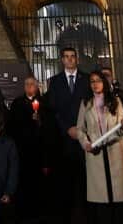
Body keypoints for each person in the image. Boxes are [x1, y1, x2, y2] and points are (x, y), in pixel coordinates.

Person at [76, 71, 123, 224]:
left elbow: (122, 126)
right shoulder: (85, 103)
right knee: (102, 196)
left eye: (98, 80)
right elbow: (79, 129)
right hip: (96, 154)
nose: (95, 84)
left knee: (119, 195)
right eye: (92, 81)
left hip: (116, 150)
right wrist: (85, 143)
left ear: (104, 82)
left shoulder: (115, 101)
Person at [45, 47, 89, 217]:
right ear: (62, 60)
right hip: (63, 138)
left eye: (73, 57)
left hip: (84, 134)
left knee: (84, 179)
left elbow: (89, 106)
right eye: (67, 57)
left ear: (77, 59)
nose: (70, 59)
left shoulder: (86, 79)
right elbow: (53, 109)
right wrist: (67, 128)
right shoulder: (55, 81)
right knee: (66, 180)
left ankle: (86, 211)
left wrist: (80, 128)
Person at [5, 77, 53, 222]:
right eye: (26, 84)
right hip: (21, 151)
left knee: (37, 186)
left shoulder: (44, 104)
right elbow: (12, 126)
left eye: (32, 84)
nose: (29, 86)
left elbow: (48, 131)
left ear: (37, 86)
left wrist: (39, 122)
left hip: (38, 152)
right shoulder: (17, 103)